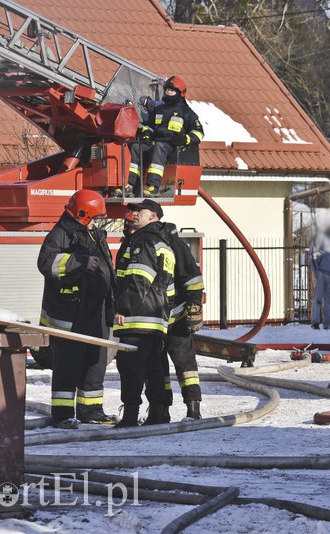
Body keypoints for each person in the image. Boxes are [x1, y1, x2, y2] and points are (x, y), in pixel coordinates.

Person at [37, 190, 116, 429]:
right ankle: (63, 415)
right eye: (95, 216)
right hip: (70, 313)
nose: (98, 221)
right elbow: (45, 263)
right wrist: (77, 262)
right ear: (83, 214)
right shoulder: (61, 234)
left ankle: (90, 410)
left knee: (95, 362)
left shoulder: (93, 235)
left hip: (95, 311)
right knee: (68, 365)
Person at [113, 199, 176, 427]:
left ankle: (130, 416)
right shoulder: (163, 243)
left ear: (153, 216)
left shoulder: (144, 240)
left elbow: (140, 277)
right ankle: (157, 414)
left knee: (130, 367)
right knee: (153, 368)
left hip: (137, 317)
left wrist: (123, 307)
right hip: (156, 318)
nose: (134, 213)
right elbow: (168, 288)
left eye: (140, 210)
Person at [118, 75, 204, 197]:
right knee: (137, 147)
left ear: (181, 93)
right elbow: (149, 125)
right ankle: (130, 185)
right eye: (167, 89)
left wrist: (185, 139)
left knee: (159, 147)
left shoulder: (187, 112)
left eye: (172, 90)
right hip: (156, 143)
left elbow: (199, 133)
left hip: (172, 146)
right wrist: (147, 133)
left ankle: (153, 187)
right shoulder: (159, 109)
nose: (169, 92)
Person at [160, 221, 205, 422]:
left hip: (175, 318)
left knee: (185, 366)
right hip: (156, 319)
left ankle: (193, 409)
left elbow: (193, 279)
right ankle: (162, 410)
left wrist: (194, 308)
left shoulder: (174, 245)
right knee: (159, 368)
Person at [309, 219, 330, 330]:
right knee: (318, 298)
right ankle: (315, 322)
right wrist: (316, 270)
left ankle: (328, 322)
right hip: (321, 273)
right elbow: (312, 254)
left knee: (329, 300)